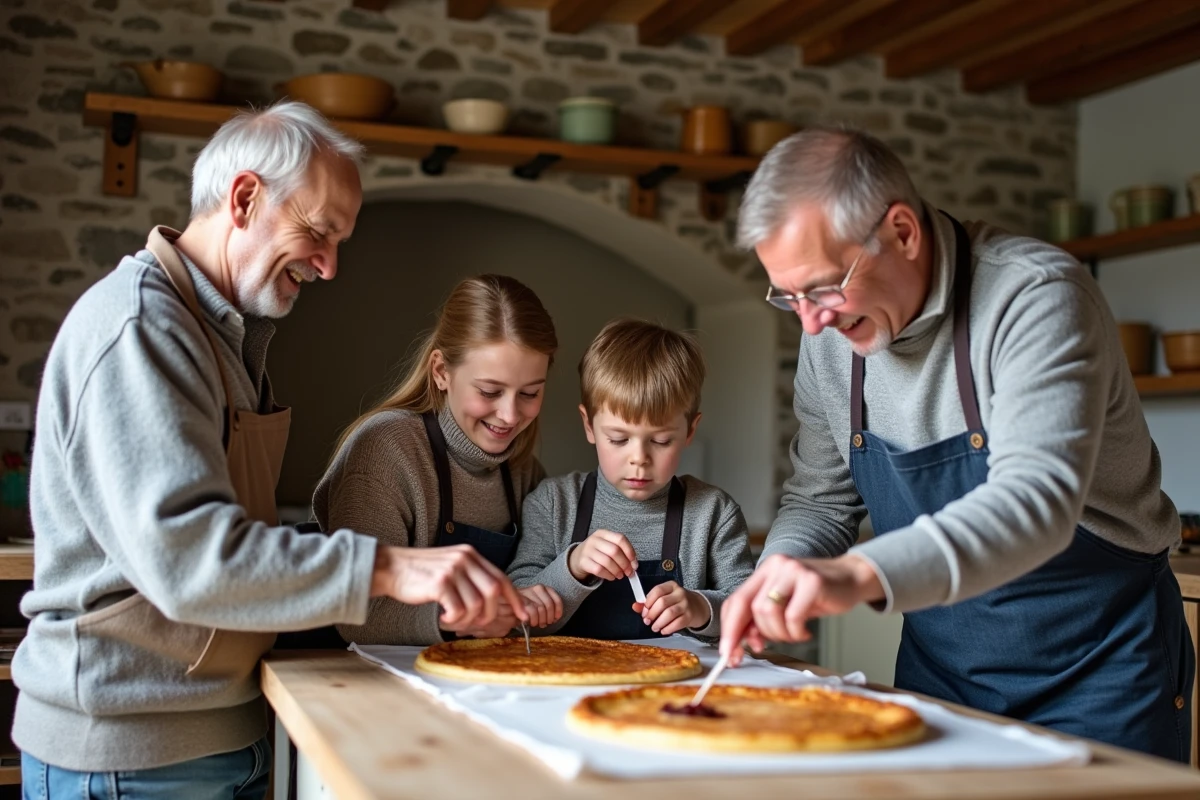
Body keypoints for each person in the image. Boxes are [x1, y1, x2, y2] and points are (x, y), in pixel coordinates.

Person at [13, 102, 526, 799]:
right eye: (318, 231)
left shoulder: (224, 335)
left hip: (225, 727)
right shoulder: (141, 328)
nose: (329, 265)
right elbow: (189, 557)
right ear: (245, 197)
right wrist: (390, 566)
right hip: (130, 750)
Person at [718, 124, 1194, 761]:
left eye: (825, 286)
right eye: (790, 296)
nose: (811, 321)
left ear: (902, 232)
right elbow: (821, 501)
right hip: (941, 670)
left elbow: (1035, 503)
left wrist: (857, 573)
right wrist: (779, 570)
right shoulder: (826, 336)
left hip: (1101, 668)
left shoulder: (1035, 297)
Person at [314, 274, 564, 644]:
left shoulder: (524, 471)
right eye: (490, 391)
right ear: (441, 372)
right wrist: (461, 619)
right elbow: (355, 613)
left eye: (529, 393)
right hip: (364, 680)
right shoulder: (387, 448)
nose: (510, 416)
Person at [509, 318, 755, 639]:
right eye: (619, 439)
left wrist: (700, 608)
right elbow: (517, 613)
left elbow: (750, 610)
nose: (639, 457)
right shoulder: (553, 503)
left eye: (661, 440)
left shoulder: (713, 513)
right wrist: (573, 567)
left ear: (690, 431)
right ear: (589, 426)